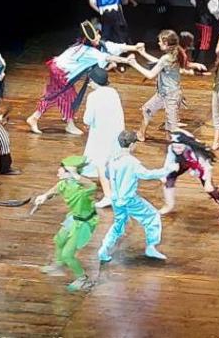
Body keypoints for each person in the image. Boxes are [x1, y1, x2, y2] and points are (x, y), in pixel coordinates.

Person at [26, 21, 139, 135]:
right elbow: (109, 57)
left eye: (98, 35)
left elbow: (115, 47)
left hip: (58, 68)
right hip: (61, 73)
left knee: (57, 95)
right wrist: (125, 60)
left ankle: (41, 118)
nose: (98, 37)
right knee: (66, 97)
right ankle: (51, 121)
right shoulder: (90, 51)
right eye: (95, 36)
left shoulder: (85, 45)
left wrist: (134, 47)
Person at [97, 131, 168, 263]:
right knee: (152, 216)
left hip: (116, 199)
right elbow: (146, 174)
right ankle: (151, 246)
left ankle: (104, 249)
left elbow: (107, 174)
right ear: (132, 145)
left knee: (118, 224)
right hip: (129, 199)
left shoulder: (113, 159)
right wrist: (165, 171)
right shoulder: (132, 162)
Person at [32, 156, 99, 292]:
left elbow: (92, 186)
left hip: (83, 223)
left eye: (61, 169)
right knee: (60, 240)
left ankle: (83, 279)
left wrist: (74, 174)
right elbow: (56, 189)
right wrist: (44, 196)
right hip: (73, 218)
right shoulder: (65, 183)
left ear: (69, 172)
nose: (58, 171)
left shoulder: (82, 189)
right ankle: (59, 266)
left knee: (68, 254)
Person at [128, 30, 208, 142]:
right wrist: (143, 53)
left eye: (160, 41)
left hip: (171, 96)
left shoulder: (168, 58)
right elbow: (159, 63)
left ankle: (195, 142)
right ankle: (141, 134)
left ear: (166, 43)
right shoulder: (173, 54)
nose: (158, 43)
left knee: (173, 130)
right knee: (147, 110)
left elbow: (151, 74)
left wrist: (134, 64)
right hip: (163, 94)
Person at [159, 132, 219, 223]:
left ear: (185, 145)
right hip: (183, 162)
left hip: (200, 166)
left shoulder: (196, 152)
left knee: (209, 189)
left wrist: (208, 182)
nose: (176, 149)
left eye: (179, 147)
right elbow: (168, 161)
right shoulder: (172, 148)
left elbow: (207, 167)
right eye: (174, 147)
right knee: (168, 178)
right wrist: (164, 173)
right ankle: (168, 205)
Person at [80, 67, 123, 208]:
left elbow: (87, 119)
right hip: (117, 132)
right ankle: (117, 191)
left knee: (100, 164)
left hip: (102, 135)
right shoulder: (113, 92)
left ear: (94, 81)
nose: (89, 84)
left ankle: (108, 195)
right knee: (113, 162)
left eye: (90, 81)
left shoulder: (93, 96)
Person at [191, 0, 219, 65]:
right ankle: (201, 66)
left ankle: (194, 60)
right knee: (205, 43)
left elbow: (193, 2)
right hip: (206, 22)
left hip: (197, 20)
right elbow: (214, 10)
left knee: (198, 40)